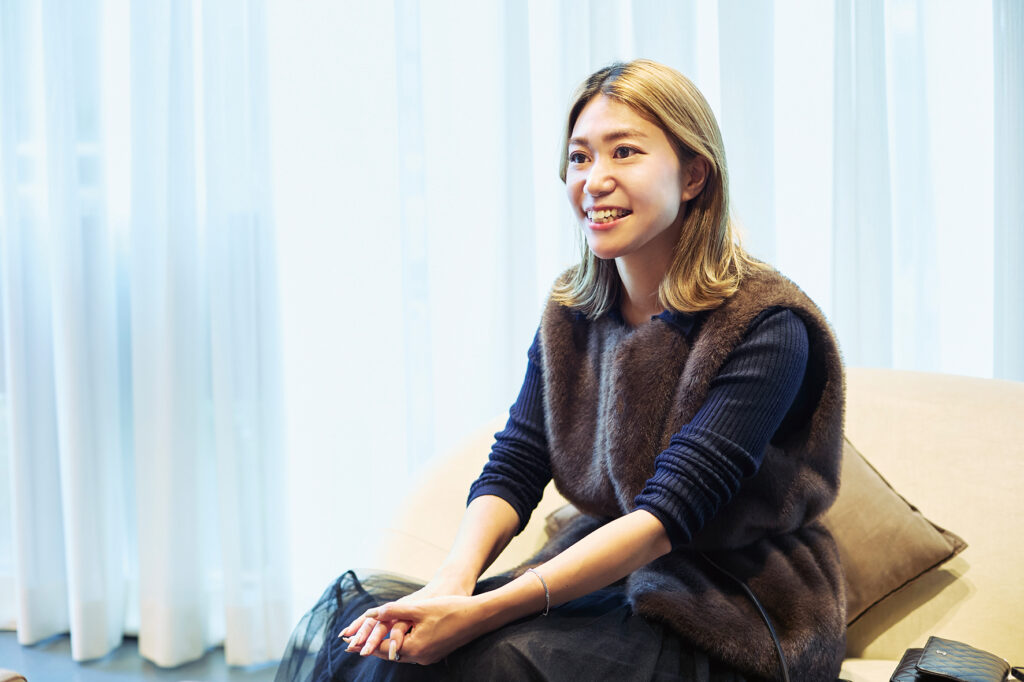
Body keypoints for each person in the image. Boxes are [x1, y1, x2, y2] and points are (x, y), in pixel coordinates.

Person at [276, 59, 846, 682]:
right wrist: (451, 584)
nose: (594, 180)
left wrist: (482, 614)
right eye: (579, 157)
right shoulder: (572, 310)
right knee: (388, 646)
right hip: (605, 573)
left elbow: (667, 517)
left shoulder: (767, 325)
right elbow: (517, 462)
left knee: (493, 660)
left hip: (730, 604)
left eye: (624, 152)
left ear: (693, 175)